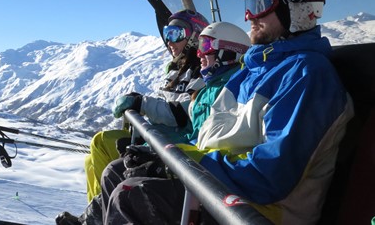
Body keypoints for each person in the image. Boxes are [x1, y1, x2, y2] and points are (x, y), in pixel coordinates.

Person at [102, 0, 354, 224]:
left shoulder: (307, 74)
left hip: (263, 208)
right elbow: (211, 136)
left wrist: (186, 165)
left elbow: (270, 177)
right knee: (117, 171)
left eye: (260, 4)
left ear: (298, 8)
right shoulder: (253, 70)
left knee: (132, 195)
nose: (249, 16)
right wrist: (170, 159)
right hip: (221, 185)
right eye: (248, 5)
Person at [56, 21, 252, 225]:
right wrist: (149, 144)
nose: (199, 54)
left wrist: (161, 154)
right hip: (190, 158)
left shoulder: (231, 90)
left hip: (204, 175)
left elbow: (211, 140)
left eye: (206, 47)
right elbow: (190, 130)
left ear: (229, 53)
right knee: (114, 170)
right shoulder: (206, 89)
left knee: (128, 189)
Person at [83, 9, 209, 202]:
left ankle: (100, 212)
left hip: (173, 141)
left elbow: (181, 112)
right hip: (157, 134)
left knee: (101, 142)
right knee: (91, 159)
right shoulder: (175, 70)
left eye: (176, 33)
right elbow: (166, 102)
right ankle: (96, 209)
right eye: (167, 33)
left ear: (195, 36)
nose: (169, 40)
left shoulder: (202, 71)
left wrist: (141, 103)